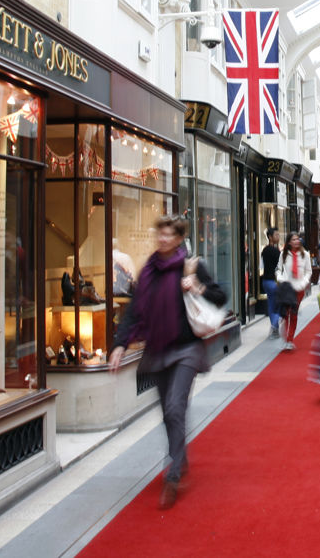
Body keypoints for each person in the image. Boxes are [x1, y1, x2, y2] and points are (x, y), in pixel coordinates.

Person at [108, 215, 226, 510]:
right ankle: (181, 457)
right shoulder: (148, 271)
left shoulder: (192, 266)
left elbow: (220, 295)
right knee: (168, 413)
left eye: (168, 235)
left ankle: (172, 474)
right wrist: (120, 345)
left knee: (176, 406)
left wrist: (197, 285)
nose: (162, 240)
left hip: (186, 349)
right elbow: (134, 311)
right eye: (159, 234)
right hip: (158, 350)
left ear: (177, 238)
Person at [276, 232, 312, 350]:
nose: (297, 241)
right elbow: (278, 269)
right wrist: (281, 279)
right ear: (289, 242)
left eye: (298, 239)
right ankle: (285, 338)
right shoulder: (284, 254)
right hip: (287, 288)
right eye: (294, 239)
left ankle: (290, 340)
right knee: (285, 314)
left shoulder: (305, 254)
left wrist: (304, 282)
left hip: (299, 288)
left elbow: (308, 271)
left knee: (294, 314)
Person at [260, 227, 281, 338]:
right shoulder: (276, 251)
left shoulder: (264, 250)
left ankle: (275, 328)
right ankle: (274, 326)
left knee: (271, 304)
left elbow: (261, 266)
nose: (278, 237)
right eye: (276, 235)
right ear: (270, 237)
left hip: (266, 281)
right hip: (274, 281)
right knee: (277, 305)